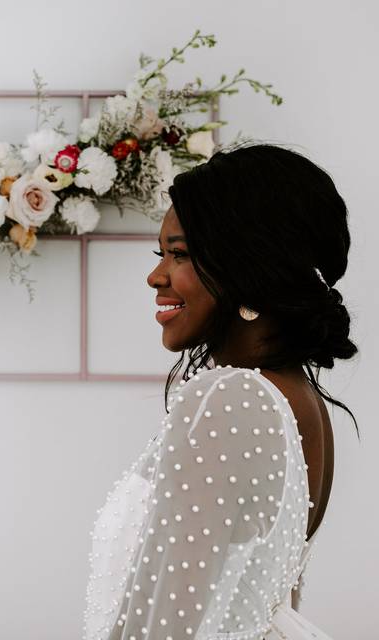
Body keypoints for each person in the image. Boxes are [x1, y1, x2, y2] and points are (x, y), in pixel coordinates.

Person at [82, 143, 358, 640]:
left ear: (251, 264)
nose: (155, 275)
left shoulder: (232, 399)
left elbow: (162, 631)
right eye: (160, 254)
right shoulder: (296, 397)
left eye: (180, 254)